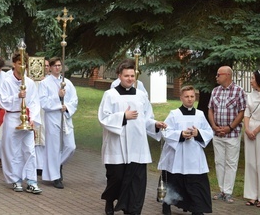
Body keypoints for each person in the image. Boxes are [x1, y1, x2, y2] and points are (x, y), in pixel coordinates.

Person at [98, 60, 167, 215]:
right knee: (116, 179)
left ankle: (132, 210)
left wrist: (155, 124)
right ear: (119, 76)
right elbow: (104, 118)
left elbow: (147, 118)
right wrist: (123, 116)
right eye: (126, 76)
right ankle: (110, 200)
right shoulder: (110, 95)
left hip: (137, 146)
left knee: (136, 182)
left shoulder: (141, 96)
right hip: (117, 145)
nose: (129, 79)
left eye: (132, 76)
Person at [158, 85, 213, 215]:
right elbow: (165, 131)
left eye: (192, 96)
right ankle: (166, 205)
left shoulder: (200, 114)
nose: (189, 99)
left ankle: (196, 208)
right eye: (187, 96)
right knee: (171, 180)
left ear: (195, 97)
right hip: (176, 155)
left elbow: (209, 132)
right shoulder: (174, 114)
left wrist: (197, 133)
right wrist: (180, 135)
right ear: (181, 97)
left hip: (194, 156)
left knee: (195, 183)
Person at [0, 51, 42, 194]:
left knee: (29, 150)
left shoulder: (29, 82)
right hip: (12, 118)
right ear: (14, 64)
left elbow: (35, 102)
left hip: (27, 120)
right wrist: (17, 96)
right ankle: (15, 179)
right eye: (19, 63)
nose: (22, 66)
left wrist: (33, 119)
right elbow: (3, 101)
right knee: (13, 151)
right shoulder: (6, 81)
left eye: (24, 63)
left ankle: (31, 180)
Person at [208, 66, 246, 204]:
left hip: (232, 135)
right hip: (217, 134)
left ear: (227, 75)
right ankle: (222, 190)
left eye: (219, 74)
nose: (216, 77)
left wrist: (230, 127)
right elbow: (210, 109)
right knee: (219, 162)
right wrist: (213, 126)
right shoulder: (215, 91)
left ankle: (228, 192)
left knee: (231, 163)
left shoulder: (239, 91)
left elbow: (242, 112)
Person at [39, 57, 78, 189]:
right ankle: (56, 177)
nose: (57, 68)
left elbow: (74, 100)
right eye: (54, 65)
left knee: (70, 146)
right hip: (52, 117)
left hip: (65, 117)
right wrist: (58, 97)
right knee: (54, 148)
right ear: (49, 67)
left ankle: (56, 165)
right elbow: (43, 102)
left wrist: (66, 106)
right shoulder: (45, 83)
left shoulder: (67, 82)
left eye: (59, 65)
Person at [243, 70, 260, 207]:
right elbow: (247, 113)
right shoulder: (249, 95)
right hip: (250, 130)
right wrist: (247, 129)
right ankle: (252, 195)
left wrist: (255, 130)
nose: (251, 80)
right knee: (250, 163)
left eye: (253, 78)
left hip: (259, 130)